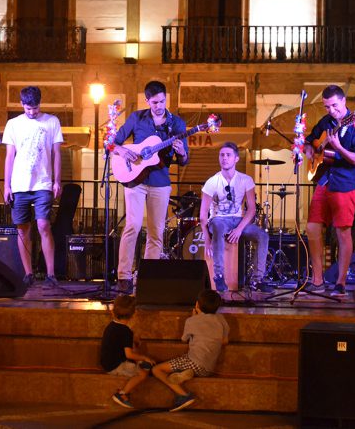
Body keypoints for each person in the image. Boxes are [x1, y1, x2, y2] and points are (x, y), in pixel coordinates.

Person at [112, 81, 189, 293]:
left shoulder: (177, 124)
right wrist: (122, 151)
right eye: (155, 102)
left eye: (163, 101)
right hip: (135, 181)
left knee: (156, 232)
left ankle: (147, 277)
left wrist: (181, 151)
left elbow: (184, 160)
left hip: (161, 182)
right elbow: (112, 142)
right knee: (133, 226)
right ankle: (124, 276)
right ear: (147, 101)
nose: (159, 106)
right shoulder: (137, 117)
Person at [302, 85, 355, 297]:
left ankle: (340, 283)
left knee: (342, 231)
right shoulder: (327, 122)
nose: (331, 110)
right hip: (324, 179)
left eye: (334, 105)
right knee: (312, 228)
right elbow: (310, 139)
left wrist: (338, 147)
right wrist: (311, 151)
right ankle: (318, 280)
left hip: (346, 183)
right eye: (326, 106)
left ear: (343, 101)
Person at [3, 86, 63, 287]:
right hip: (19, 184)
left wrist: (57, 180)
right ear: (21, 104)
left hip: (43, 182)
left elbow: (56, 153)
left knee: (44, 225)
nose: (32, 112)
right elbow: (9, 156)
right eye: (28, 108)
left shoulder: (52, 122)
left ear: (40, 103)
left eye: (35, 108)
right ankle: (28, 273)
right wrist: (7, 185)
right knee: (22, 229)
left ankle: (51, 273)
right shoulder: (13, 124)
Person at [200, 142, 271, 293]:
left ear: (236, 159)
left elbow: (251, 209)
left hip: (238, 220)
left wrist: (239, 229)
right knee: (218, 227)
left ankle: (257, 280)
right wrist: (207, 239)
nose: (224, 158)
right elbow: (202, 215)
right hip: (218, 219)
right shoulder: (212, 182)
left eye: (228, 155)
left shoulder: (246, 180)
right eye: (222, 155)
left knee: (263, 236)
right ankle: (219, 275)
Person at [151, 289, 229, 412]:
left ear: (197, 305)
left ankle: (183, 395)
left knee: (156, 370)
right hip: (209, 368)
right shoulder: (221, 319)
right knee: (190, 364)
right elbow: (225, 341)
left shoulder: (192, 321)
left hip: (194, 361)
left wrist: (194, 319)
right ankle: (187, 372)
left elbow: (184, 339)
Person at [100, 295, 155, 409]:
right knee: (143, 373)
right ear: (133, 314)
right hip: (115, 366)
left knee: (138, 354)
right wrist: (144, 358)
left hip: (107, 362)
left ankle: (137, 364)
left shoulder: (111, 326)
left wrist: (133, 340)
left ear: (114, 312)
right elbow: (128, 354)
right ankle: (122, 394)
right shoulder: (126, 332)